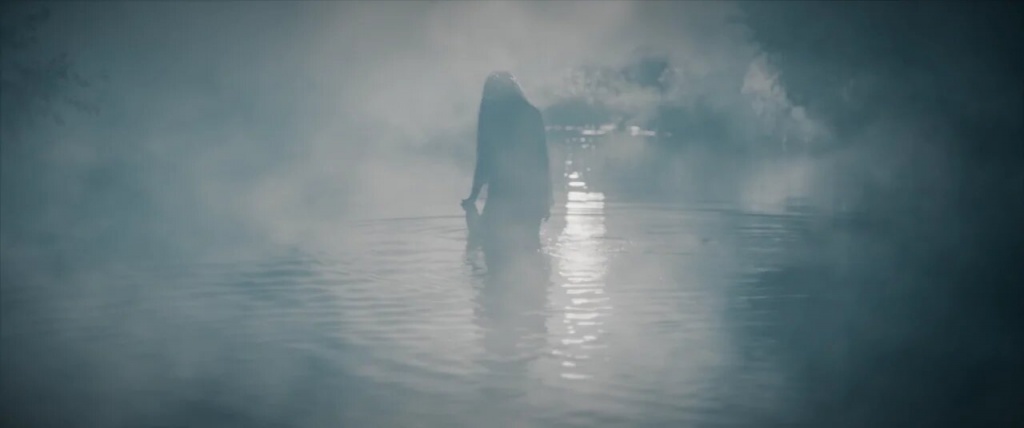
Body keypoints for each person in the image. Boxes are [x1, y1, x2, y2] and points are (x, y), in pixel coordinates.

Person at [462, 71, 552, 260]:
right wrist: (546, 199)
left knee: (495, 250)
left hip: (503, 195)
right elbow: (542, 159)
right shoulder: (531, 114)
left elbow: (484, 160)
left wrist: (473, 195)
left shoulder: (492, 117)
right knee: (529, 249)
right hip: (526, 195)